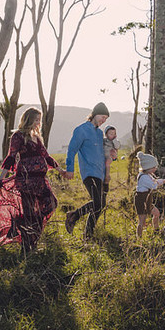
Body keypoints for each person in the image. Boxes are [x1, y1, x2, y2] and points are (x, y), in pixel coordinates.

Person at [0, 107, 69, 254]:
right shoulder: (18, 136)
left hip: (40, 180)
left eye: (39, 120)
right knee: (28, 213)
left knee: (51, 204)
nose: (38, 123)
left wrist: (61, 170)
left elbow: (47, 157)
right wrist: (2, 177)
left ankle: (21, 226)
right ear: (28, 119)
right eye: (36, 119)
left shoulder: (37, 137)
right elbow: (11, 156)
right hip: (25, 181)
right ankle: (28, 247)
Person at [64, 102, 110, 239]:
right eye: (102, 116)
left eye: (106, 119)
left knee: (100, 205)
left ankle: (88, 234)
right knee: (98, 203)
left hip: (101, 174)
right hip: (89, 173)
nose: (104, 120)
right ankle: (74, 215)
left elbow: (101, 153)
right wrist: (70, 169)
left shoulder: (100, 133)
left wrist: (110, 159)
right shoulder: (81, 130)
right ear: (95, 114)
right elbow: (71, 150)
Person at [134, 151, 165, 238]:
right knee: (141, 221)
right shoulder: (144, 177)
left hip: (147, 199)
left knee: (156, 213)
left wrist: (164, 180)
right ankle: (139, 238)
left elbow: (155, 181)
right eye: (154, 167)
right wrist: (164, 181)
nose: (155, 168)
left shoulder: (148, 175)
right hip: (141, 200)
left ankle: (156, 230)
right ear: (147, 167)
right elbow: (154, 185)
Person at [102, 124, 120, 195]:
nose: (112, 135)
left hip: (109, 157)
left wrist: (115, 139)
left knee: (107, 164)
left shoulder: (114, 142)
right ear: (106, 134)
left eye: (114, 134)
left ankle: (107, 178)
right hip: (103, 157)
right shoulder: (103, 140)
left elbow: (117, 146)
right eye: (110, 133)